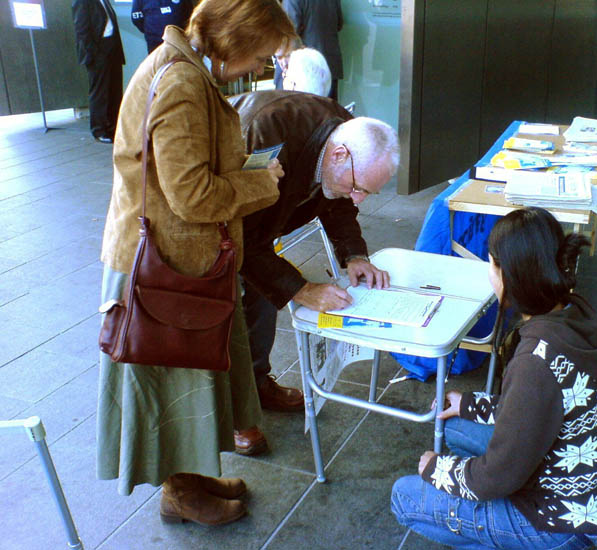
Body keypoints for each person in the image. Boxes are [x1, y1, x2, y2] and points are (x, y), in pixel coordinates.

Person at [98, 0, 296, 526]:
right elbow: (190, 194)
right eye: (260, 54)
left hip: (175, 259)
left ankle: (190, 480)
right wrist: (259, 183)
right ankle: (180, 493)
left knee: (186, 381)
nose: (260, 66)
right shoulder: (183, 81)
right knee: (172, 383)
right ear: (235, 38)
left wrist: (245, 173)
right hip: (161, 266)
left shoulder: (186, 69)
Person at [391, 207, 597, 549]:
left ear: (510, 276)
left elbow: (495, 477)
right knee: (455, 426)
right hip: (584, 492)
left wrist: (436, 470)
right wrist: (469, 404)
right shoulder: (573, 312)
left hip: (560, 525)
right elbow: (535, 407)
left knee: (405, 496)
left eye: (491, 264)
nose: (488, 274)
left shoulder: (535, 361)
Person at [227, 90, 399, 455]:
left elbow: (338, 202)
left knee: (262, 291)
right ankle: (232, 411)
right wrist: (302, 290)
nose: (358, 198)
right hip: (216, 221)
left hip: (261, 224)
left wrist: (354, 254)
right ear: (338, 155)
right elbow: (243, 237)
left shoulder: (347, 135)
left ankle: (256, 384)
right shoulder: (265, 136)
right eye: (358, 187)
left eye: (368, 192)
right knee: (228, 304)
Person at [71, 0, 125, 144]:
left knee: (114, 91)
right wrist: (94, 53)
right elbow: (82, 29)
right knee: (100, 92)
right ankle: (99, 130)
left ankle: (113, 127)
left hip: (112, 47)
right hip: (98, 51)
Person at [282, 0, 343, 101]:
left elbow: (288, 34)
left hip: (302, 72)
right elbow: (339, 24)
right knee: (327, 110)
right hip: (329, 67)